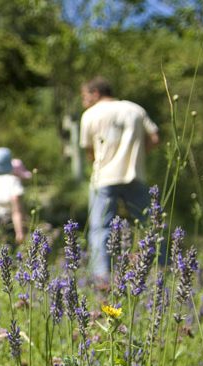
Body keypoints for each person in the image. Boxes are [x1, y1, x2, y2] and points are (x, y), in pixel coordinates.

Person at [80, 76, 160, 280]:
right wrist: (139, 155)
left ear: (96, 93)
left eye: (85, 96)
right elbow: (154, 138)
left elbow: (89, 151)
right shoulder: (135, 109)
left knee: (100, 228)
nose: (84, 101)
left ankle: (102, 277)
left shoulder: (90, 114)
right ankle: (161, 271)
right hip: (134, 174)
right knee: (150, 225)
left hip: (104, 178)